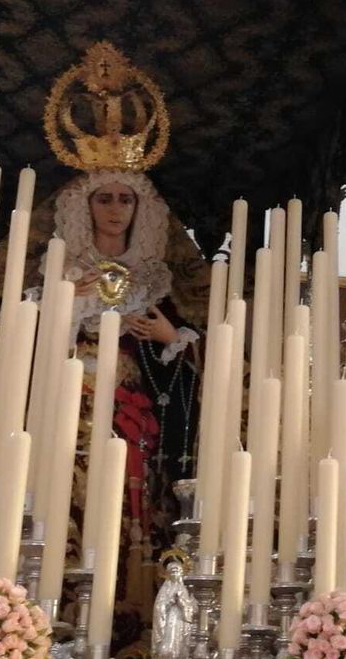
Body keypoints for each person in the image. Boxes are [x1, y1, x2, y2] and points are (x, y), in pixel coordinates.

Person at [50, 168, 209, 653]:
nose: (116, 209)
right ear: (86, 207)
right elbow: (17, 345)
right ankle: (64, 614)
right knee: (70, 497)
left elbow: (195, 360)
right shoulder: (59, 275)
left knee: (133, 502)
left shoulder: (155, 283)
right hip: (70, 413)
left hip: (135, 420)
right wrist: (60, 306)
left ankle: (132, 612)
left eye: (125, 199)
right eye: (104, 199)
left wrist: (173, 340)